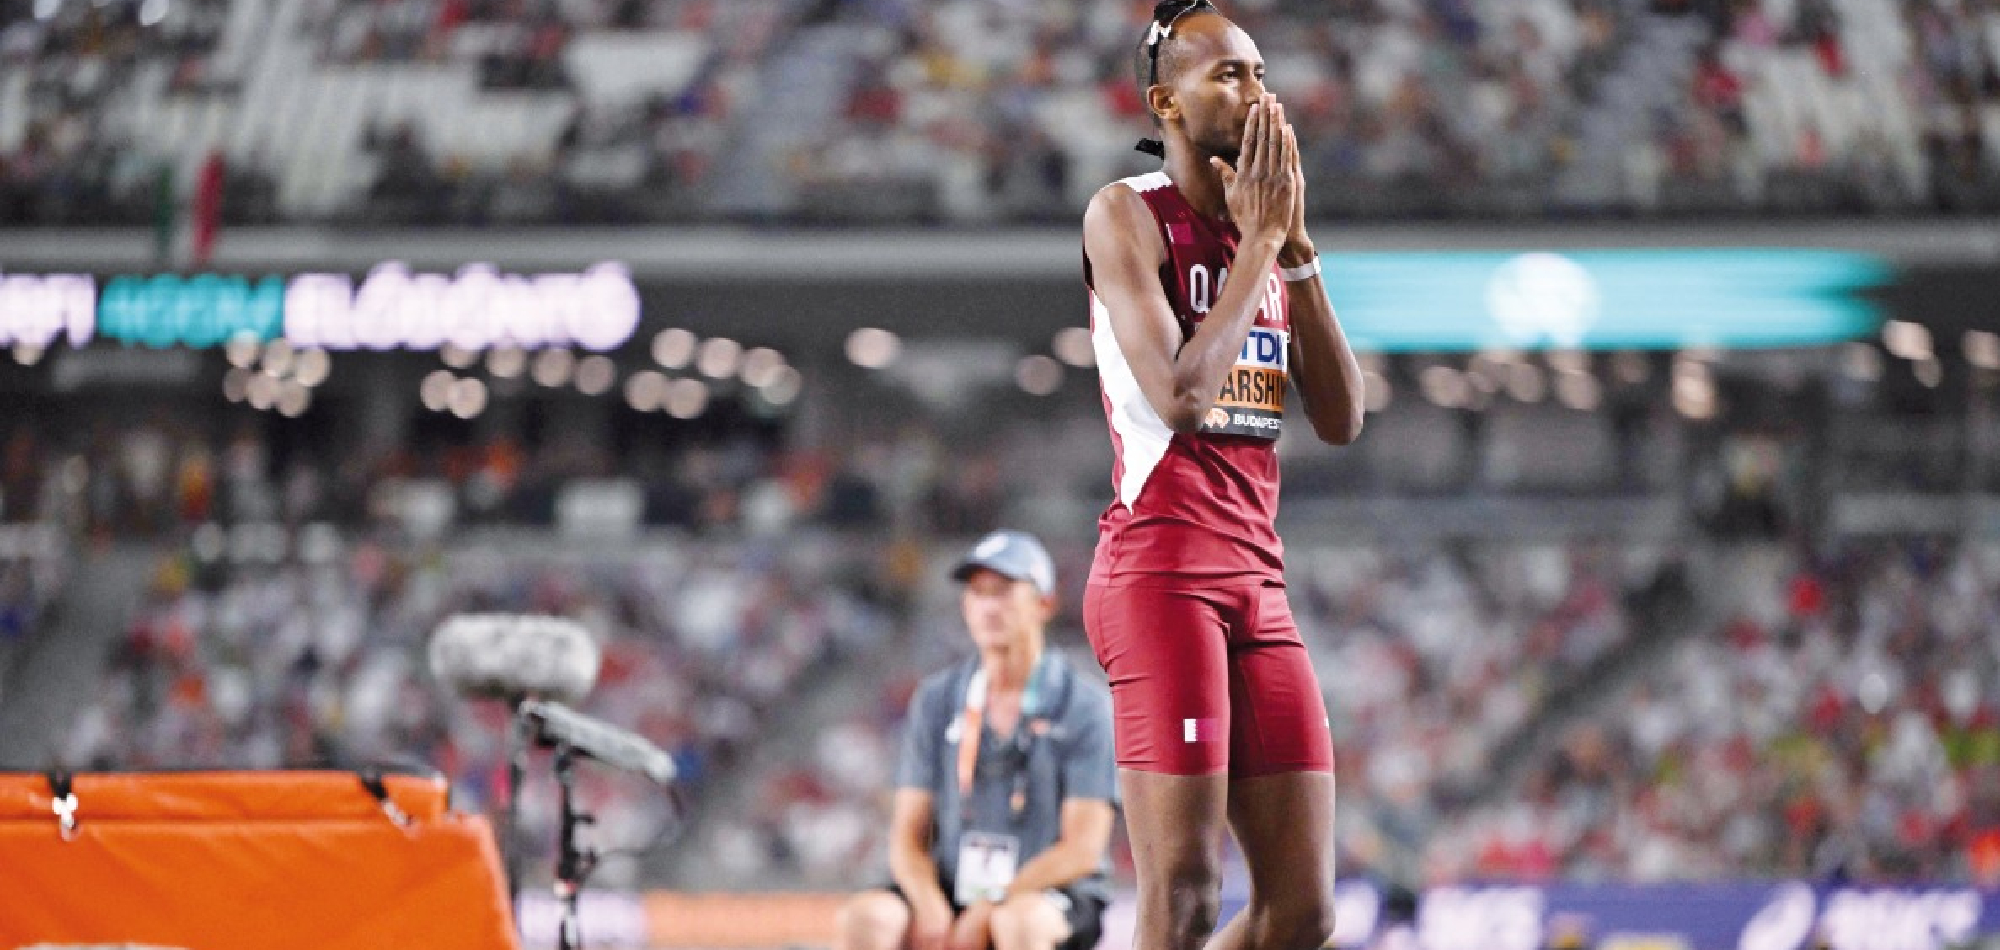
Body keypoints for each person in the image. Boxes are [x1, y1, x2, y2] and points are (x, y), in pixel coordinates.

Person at [1079, 3, 1367, 950]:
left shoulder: (1269, 244)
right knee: (1187, 896)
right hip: (1160, 572)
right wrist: (1255, 247)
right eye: (1229, 75)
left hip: (1257, 579)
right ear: (1166, 100)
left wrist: (1297, 252)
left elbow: (1341, 417)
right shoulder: (1127, 214)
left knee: (1305, 913)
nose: (1257, 92)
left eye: (1258, 71)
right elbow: (1182, 399)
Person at [834, 530, 1119, 950]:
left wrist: (991, 906)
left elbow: (1082, 848)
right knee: (866, 918)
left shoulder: (1083, 705)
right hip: (953, 883)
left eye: (1003, 591)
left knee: (1019, 924)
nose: (988, 605)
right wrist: (929, 903)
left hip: (1047, 892)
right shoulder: (936, 699)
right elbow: (907, 835)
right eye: (977, 592)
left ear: (1044, 603)